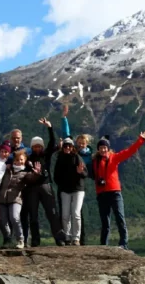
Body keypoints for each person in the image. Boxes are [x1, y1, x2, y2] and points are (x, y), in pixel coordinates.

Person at [93, 131, 145, 250]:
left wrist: (141, 140)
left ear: (108, 149)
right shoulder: (95, 161)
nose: (103, 150)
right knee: (105, 222)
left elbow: (129, 151)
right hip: (102, 194)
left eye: (105, 148)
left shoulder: (115, 158)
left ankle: (123, 244)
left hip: (114, 192)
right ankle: (104, 245)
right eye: (101, 148)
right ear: (98, 149)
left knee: (120, 218)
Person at [24, 118, 66, 247]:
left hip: (46, 185)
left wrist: (50, 127)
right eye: (35, 146)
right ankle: (36, 241)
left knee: (52, 212)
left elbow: (52, 142)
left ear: (42, 147)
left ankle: (59, 238)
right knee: (33, 215)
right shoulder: (28, 158)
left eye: (39, 146)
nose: (37, 148)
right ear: (32, 147)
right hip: (32, 188)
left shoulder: (46, 154)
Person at [60, 104, 94, 245]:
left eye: (83, 143)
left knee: (77, 214)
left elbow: (91, 171)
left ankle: (79, 238)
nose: (80, 145)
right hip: (69, 186)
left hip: (81, 185)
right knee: (71, 214)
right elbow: (66, 135)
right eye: (79, 143)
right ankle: (72, 237)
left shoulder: (90, 156)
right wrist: (64, 118)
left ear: (87, 143)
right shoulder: (73, 153)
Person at [0, 150, 41, 249]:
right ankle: (8, 239)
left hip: (16, 199)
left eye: (21, 160)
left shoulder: (25, 173)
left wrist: (37, 174)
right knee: (2, 220)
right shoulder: (7, 170)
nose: (19, 161)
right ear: (14, 161)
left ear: (25, 161)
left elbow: (31, 178)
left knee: (15, 218)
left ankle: (20, 239)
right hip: (2, 199)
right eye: (17, 159)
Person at [54, 137, 88, 245]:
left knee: (76, 213)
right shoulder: (60, 159)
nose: (67, 147)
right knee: (65, 215)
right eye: (65, 146)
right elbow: (56, 176)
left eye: (69, 146)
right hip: (65, 190)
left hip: (78, 189)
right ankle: (67, 237)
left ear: (72, 147)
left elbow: (85, 173)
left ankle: (76, 238)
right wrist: (62, 183)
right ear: (63, 147)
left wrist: (80, 172)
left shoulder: (77, 157)